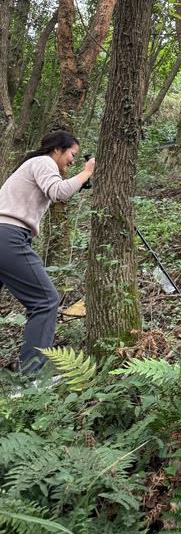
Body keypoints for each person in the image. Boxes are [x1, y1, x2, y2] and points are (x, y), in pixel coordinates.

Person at [0, 130, 95, 375]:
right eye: (72, 154)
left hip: (5, 234)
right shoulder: (43, 162)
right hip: (8, 235)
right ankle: (30, 379)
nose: (73, 161)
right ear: (57, 149)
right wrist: (87, 172)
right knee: (45, 301)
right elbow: (59, 192)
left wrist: (80, 180)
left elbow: (59, 189)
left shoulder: (34, 166)